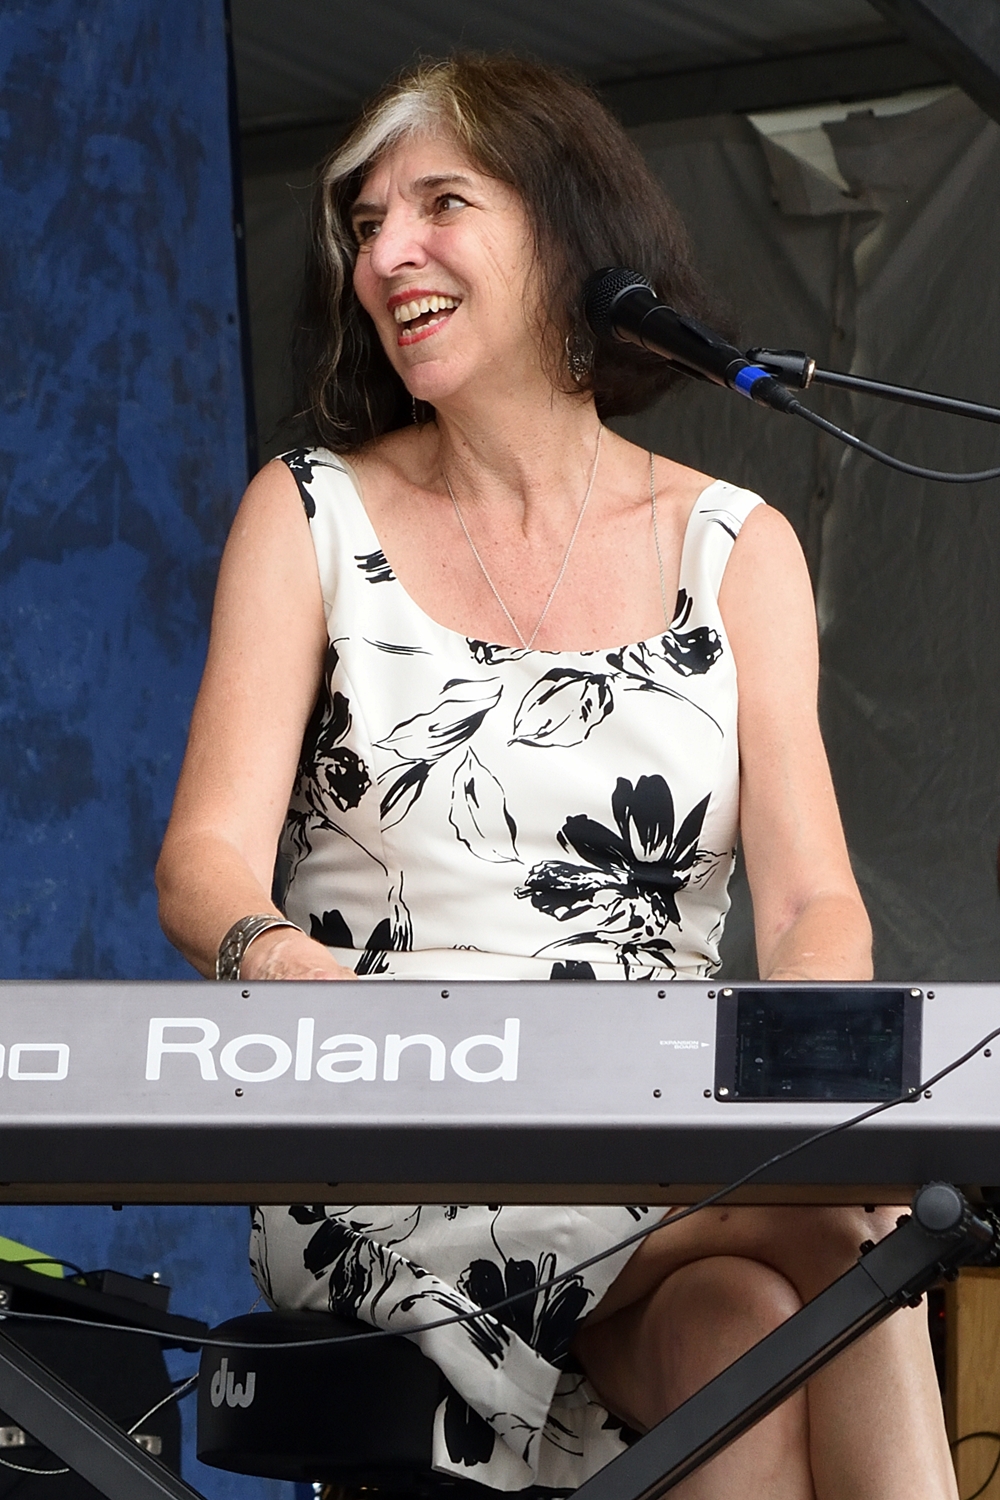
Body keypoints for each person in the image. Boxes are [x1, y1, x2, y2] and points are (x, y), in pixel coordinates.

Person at [156, 53, 957, 1500]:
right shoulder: (310, 513)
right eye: (365, 224)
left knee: (745, 1331)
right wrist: (292, 973)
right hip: (400, 1138)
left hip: (659, 1137)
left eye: (440, 204)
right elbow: (202, 863)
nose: (385, 254)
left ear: (568, 234)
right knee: (848, 1237)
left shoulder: (734, 545)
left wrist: (811, 1077)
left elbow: (814, 907)